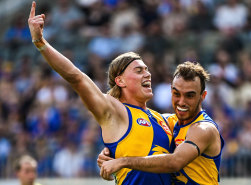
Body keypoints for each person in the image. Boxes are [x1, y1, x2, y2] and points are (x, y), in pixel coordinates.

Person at [28, 1, 172, 185]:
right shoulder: (114, 110)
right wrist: (40, 43)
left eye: (146, 69)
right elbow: (76, 77)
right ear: (120, 81)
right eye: (138, 71)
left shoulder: (162, 119)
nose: (148, 74)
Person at [99, 61, 225, 185]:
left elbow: (175, 162)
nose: (181, 102)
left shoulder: (204, 129)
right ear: (171, 91)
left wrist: (122, 161)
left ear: (203, 96)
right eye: (177, 94)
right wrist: (111, 151)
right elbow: (137, 132)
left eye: (189, 96)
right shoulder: (168, 122)